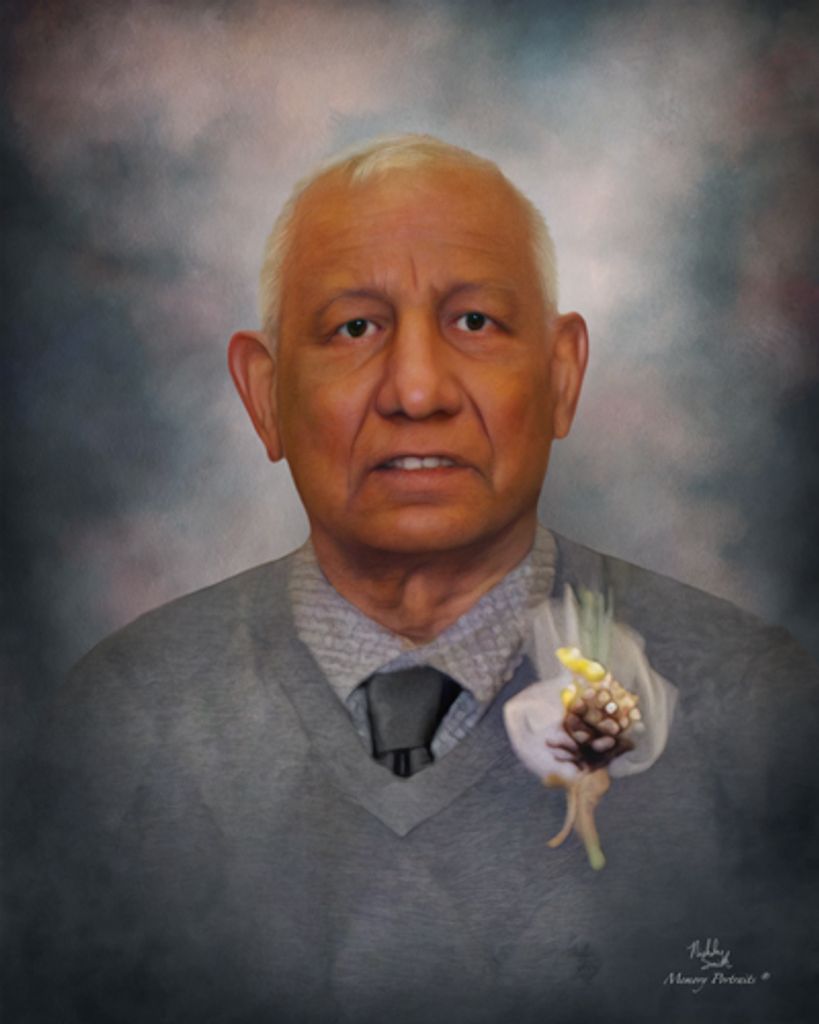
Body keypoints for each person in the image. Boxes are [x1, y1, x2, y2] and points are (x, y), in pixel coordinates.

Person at [18, 136, 818, 1024]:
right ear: (263, 393)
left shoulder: (751, 708)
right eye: (354, 328)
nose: (416, 390)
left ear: (561, 376)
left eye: (474, 322)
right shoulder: (125, 723)